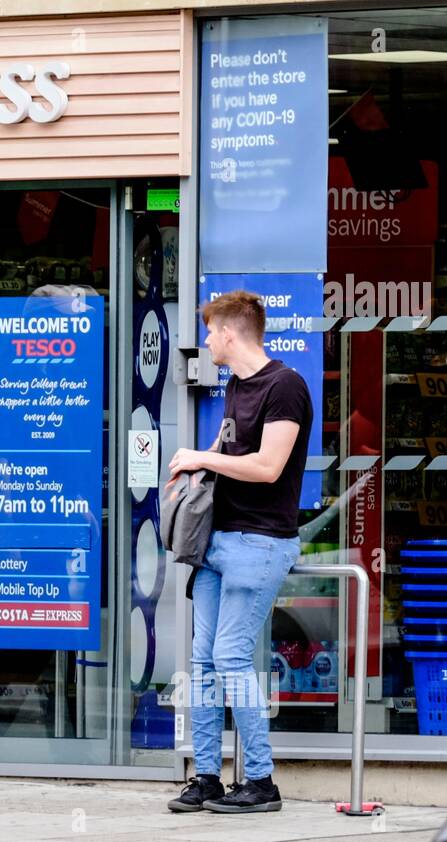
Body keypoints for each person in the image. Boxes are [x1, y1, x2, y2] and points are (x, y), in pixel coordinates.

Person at [166, 290, 311, 814]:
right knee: (203, 661)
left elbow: (269, 466)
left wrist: (201, 455)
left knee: (229, 656)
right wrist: (195, 473)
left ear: (229, 333)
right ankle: (207, 776)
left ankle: (262, 781)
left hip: (261, 541)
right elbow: (233, 460)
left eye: (210, 332)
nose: (205, 341)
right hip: (218, 542)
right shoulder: (236, 386)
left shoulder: (286, 386)